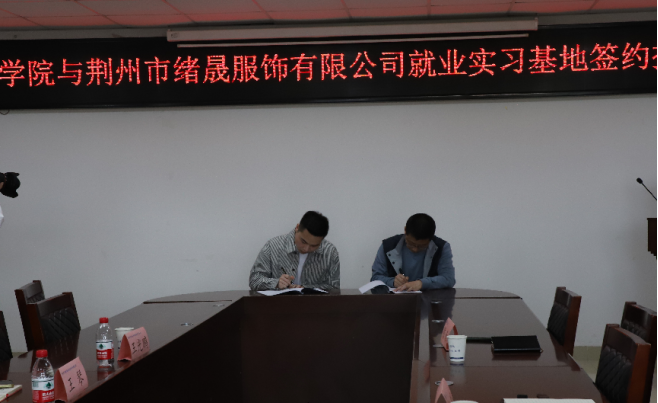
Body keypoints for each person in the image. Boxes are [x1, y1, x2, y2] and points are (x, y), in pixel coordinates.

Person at [249, 211, 340, 291]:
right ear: (297, 228)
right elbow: (254, 280)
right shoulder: (273, 246)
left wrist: (306, 288)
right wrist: (276, 283)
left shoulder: (330, 252)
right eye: (303, 241)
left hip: (314, 304)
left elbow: (334, 287)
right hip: (278, 304)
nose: (306, 248)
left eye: (314, 245)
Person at [371, 213, 455, 292]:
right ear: (405, 230)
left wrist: (422, 283)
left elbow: (448, 278)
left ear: (431, 238)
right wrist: (393, 282)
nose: (415, 249)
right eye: (411, 244)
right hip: (395, 299)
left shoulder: (441, 247)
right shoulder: (388, 246)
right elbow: (375, 278)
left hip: (429, 299)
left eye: (422, 246)